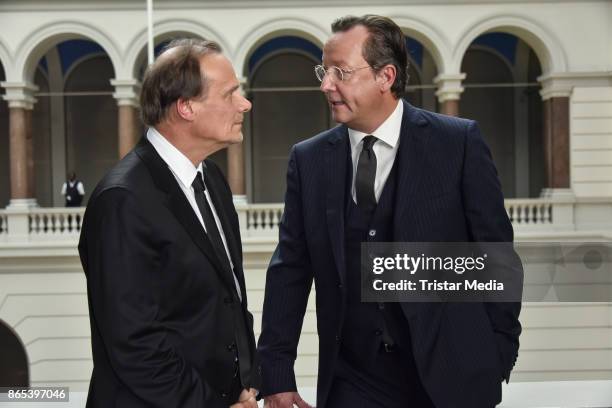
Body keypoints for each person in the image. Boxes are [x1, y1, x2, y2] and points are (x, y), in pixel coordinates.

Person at [257, 15, 523, 408]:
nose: (326, 84)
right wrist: (276, 375)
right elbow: (290, 269)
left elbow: (496, 257)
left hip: (454, 376)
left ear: (386, 76)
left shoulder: (458, 142)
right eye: (323, 71)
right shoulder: (309, 159)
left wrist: (498, 354)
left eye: (340, 72)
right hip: (353, 378)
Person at [78, 38, 260, 408]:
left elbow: (230, 301)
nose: (245, 104)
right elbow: (136, 346)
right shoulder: (122, 200)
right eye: (230, 95)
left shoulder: (213, 181)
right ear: (186, 107)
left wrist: (247, 385)